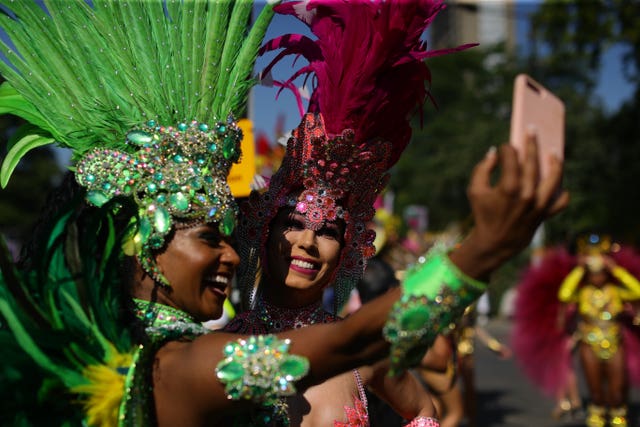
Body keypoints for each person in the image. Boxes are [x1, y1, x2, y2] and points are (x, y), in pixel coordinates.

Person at [0, 1, 568, 427]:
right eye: (208, 235)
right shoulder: (181, 365)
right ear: (144, 241)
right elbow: (350, 346)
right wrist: (485, 247)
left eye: (328, 232)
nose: (228, 251)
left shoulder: (148, 354)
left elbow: (384, 375)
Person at [224, 1, 567, 426]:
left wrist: (489, 246)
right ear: (262, 229)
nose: (309, 241)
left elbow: (424, 409)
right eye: (293, 224)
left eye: (329, 230)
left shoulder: (353, 350)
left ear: (348, 250)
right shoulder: (216, 354)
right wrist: (485, 247)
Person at [558, 235, 640, 427]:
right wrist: (580, 268)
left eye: (601, 271)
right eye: (593, 272)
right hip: (589, 343)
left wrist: (616, 270)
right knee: (595, 393)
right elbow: (564, 294)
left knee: (617, 393)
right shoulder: (583, 292)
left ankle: (619, 420)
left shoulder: (616, 291)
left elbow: (637, 290)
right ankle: (597, 420)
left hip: (615, 342)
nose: (597, 276)